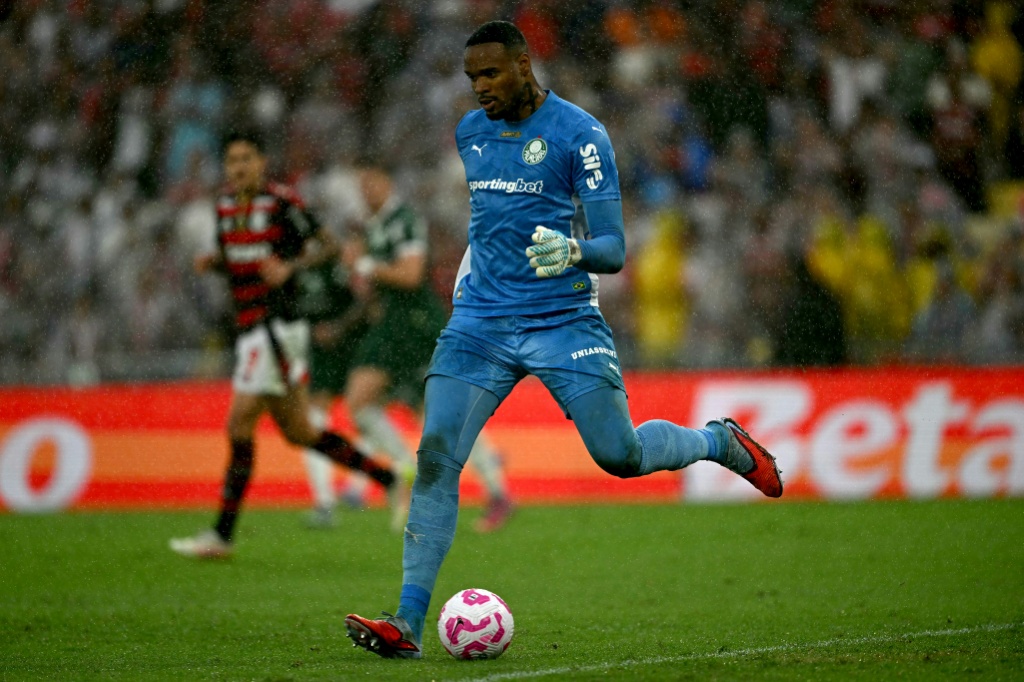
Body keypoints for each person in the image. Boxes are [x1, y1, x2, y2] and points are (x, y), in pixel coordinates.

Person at [344, 22, 782, 659]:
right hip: (481, 322)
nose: (480, 89)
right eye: (472, 79)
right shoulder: (470, 134)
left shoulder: (583, 134)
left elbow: (614, 248)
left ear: (524, 65)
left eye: (491, 74)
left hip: (563, 319)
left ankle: (719, 440)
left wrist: (574, 249)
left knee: (620, 455)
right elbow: (489, 224)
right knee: (436, 455)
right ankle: (407, 623)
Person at [169, 130, 402, 559]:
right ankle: (386, 479)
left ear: (261, 162)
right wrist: (215, 263)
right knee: (301, 432)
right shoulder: (223, 209)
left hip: (277, 328)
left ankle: (221, 534)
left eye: (246, 159)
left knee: (239, 423)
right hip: (249, 329)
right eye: (232, 161)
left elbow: (330, 246)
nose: (239, 168)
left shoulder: (282, 203)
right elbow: (240, 266)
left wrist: (290, 266)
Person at [300, 162, 514, 533]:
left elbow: (411, 275)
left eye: (371, 182)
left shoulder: (404, 220)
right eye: (361, 184)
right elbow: (374, 286)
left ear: (387, 181)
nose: (366, 191)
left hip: (414, 327)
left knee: (412, 410)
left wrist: (366, 265)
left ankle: (452, 481)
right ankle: (421, 472)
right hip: (392, 328)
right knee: (400, 410)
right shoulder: (374, 227)